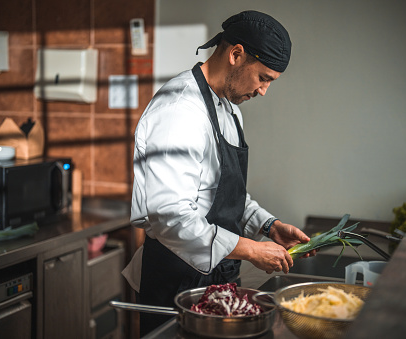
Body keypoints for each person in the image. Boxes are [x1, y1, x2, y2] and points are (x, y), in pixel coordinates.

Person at [122, 10, 316, 335]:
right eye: (263, 78)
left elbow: (224, 193)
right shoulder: (178, 111)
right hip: (178, 282)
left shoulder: (229, 109)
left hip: (220, 276)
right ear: (236, 54)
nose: (264, 90)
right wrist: (252, 249)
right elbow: (171, 217)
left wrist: (270, 226)